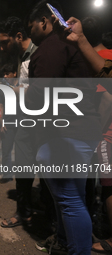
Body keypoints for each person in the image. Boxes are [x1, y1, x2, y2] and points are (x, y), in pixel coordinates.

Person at [26, 1, 102, 254]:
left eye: (31, 26)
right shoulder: (70, 45)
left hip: (64, 136)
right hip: (81, 133)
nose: (29, 33)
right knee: (72, 199)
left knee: (70, 202)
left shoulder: (50, 48)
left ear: (45, 22)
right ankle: (64, 243)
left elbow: (40, 94)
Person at [0, 16, 38, 228]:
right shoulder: (21, 58)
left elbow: (40, 91)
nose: (3, 48)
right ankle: (24, 213)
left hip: (41, 124)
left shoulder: (38, 54)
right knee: (23, 171)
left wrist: (12, 90)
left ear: (19, 36)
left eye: (5, 42)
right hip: (25, 123)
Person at [82, 16, 112, 253]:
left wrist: (98, 133)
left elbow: (105, 101)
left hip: (106, 133)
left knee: (108, 184)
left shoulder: (96, 61)